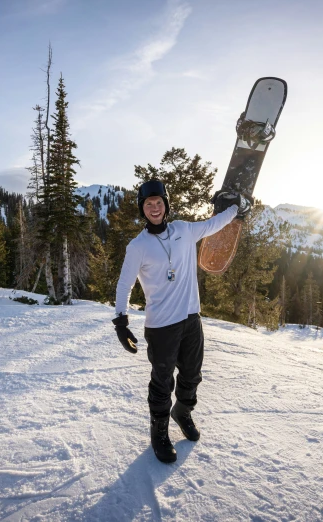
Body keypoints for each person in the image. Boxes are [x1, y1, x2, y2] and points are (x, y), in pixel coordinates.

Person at [112, 179, 251, 463]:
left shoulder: (184, 230)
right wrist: (121, 321)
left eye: (158, 203)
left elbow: (214, 223)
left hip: (191, 319)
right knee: (162, 382)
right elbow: (124, 285)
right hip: (162, 326)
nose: (154, 208)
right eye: (148, 204)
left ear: (166, 205)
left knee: (192, 375)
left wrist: (236, 208)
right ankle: (159, 432)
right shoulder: (137, 246)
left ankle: (183, 412)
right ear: (143, 208)